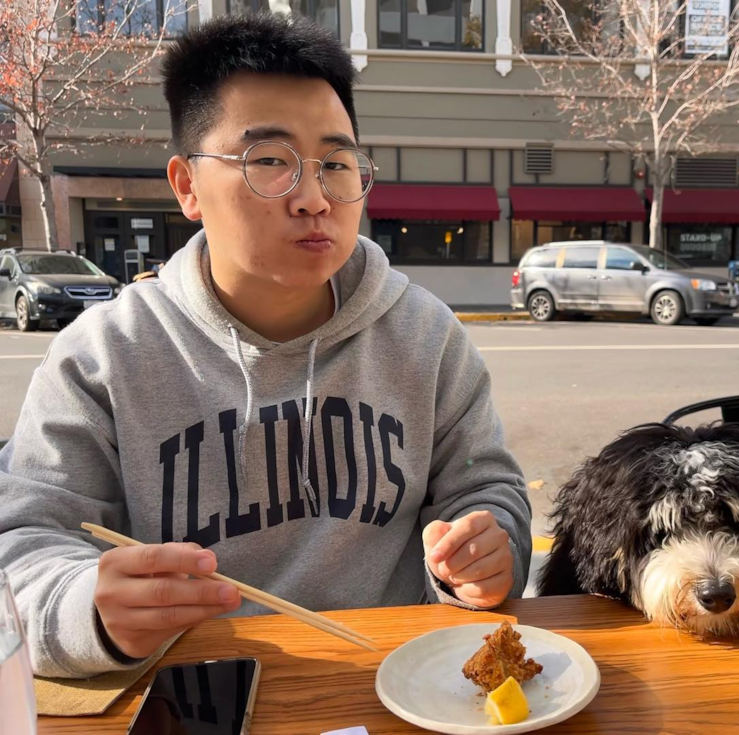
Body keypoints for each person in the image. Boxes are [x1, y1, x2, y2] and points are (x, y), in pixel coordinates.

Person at [0, 13, 531, 679]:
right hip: (194, 694)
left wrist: (487, 549)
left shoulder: (424, 336)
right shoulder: (102, 358)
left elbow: (487, 490)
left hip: (402, 682)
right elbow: (23, 546)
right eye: (270, 162)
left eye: (336, 165)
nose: (314, 198)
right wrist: (91, 610)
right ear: (188, 185)